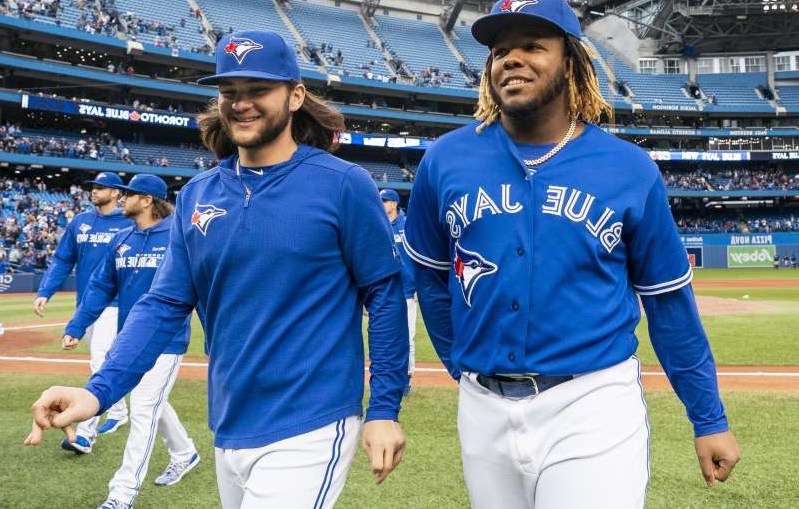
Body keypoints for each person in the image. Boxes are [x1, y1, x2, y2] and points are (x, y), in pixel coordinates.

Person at [26, 29, 409, 509]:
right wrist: (98, 393)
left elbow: (385, 295)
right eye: (230, 92)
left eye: (257, 91)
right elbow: (164, 304)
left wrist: (385, 408)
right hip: (228, 418)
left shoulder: (342, 184)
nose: (241, 104)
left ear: (295, 96)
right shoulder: (197, 194)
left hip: (312, 416)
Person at [402, 2, 740, 508]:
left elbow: (669, 305)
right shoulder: (445, 160)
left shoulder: (628, 168)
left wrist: (708, 418)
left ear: (572, 63)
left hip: (591, 402)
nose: (510, 59)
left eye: (533, 46)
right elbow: (429, 279)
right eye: (500, 51)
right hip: (481, 410)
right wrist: (461, 364)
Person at [62, 174, 199, 509]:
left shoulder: (178, 236)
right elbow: (100, 287)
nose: (122, 199)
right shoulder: (122, 237)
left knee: (143, 411)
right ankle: (185, 453)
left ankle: (121, 495)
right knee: (151, 403)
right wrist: (78, 325)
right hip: (130, 339)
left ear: (149, 200)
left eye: (130, 194)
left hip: (166, 341)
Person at [34, 172, 133, 453]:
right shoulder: (81, 222)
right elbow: (63, 259)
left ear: (115, 192)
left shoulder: (129, 221)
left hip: (116, 304)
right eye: (92, 187)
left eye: (100, 187)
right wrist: (45, 292)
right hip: (87, 306)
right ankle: (118, 413)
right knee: (103, 361)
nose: (94, 191)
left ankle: (85, 434)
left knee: (99, 362)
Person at [380, 188, 416, 396]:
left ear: (394, 204)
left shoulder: (407, 225)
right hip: (389, 289)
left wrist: (419, 285)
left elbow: (416, 257)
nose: (382, 204)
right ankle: (390, 379)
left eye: (385, 201)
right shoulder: (380, 224)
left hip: (409, 289)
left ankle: (407, 379)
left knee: (408, 337)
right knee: (389, 337)